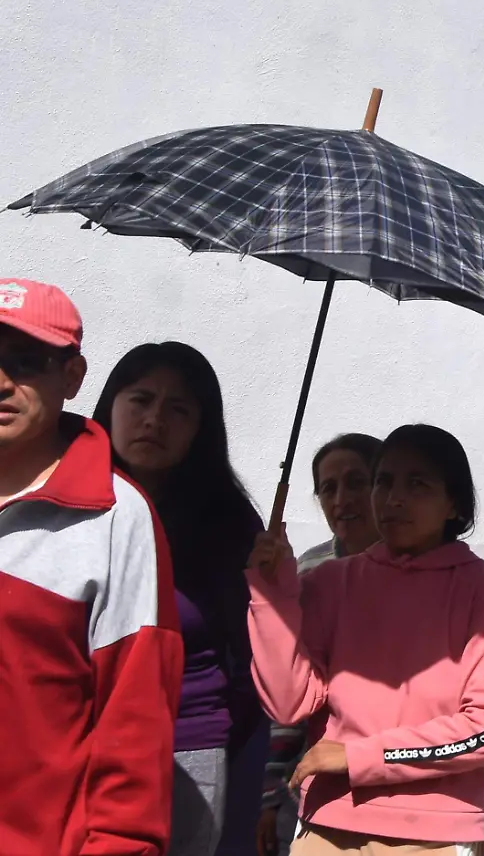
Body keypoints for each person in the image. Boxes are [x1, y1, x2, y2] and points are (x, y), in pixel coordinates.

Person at [246, 424, 484, 854]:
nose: (394, 498)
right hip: (326, 822)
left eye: (418, 484)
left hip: (433, 833)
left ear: (454, 504)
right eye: (384, 481)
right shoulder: (327, 581)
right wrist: (270, 598)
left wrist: (359, 757)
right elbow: (288, 702)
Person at [0, 279, 182, 855]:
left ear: (73, 377)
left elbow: (134, 724)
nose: (2, 381)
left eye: (25, 362)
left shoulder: (116, 516)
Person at [93, 342, 264, 856]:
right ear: (110, 406)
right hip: (69, 738)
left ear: (200, 429)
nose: (154, 420)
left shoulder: (230, 525)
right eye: (140, 400)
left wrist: (208, 731)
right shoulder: (65, 501)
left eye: (179, 409)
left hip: (185, 746)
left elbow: (251, 661)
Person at [260, 433, 385, 855]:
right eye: (327, 488)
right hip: (315, 799)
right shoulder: (308, 572)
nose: (341, 498)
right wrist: (270, 792)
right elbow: (289, 697)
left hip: (404, 799)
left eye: (356, 482)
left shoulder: (438, 578)